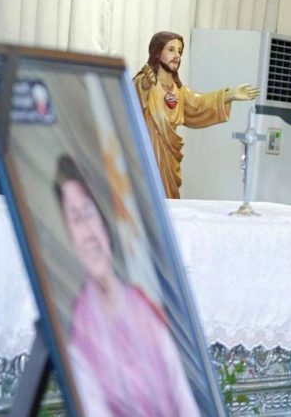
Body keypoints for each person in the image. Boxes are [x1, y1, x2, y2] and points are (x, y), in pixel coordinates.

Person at [54, 154, 200, 416]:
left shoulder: (142, 304)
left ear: (104, 221)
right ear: (69, 237)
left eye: (90, 212)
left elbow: (181, 394)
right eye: (75, 219)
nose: (88, 233)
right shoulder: (79, 335)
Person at [133, 31, 260, 199]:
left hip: (169, 160)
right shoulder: (145, 81)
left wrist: (230, 95)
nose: (177, 55)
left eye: (179, 51)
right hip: (146, 157)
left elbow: (199, 104)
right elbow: (128, 102)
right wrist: (145, 85)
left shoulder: (179, 91)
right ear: (157, 52)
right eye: (171, 49)